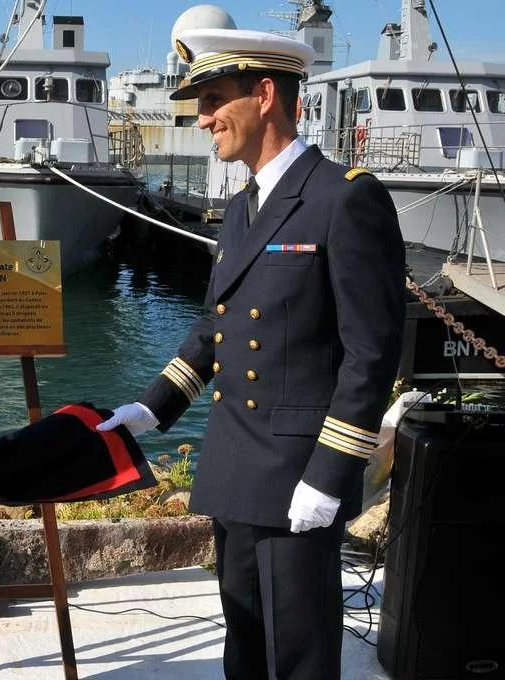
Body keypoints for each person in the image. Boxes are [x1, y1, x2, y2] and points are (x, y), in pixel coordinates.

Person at [97, 27, 405, 679]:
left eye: (214, 99)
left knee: (297, 654)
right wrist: (152, 408)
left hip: (297, 473)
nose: (203, 117)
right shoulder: (240, 209)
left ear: (265, 95)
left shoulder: (344, 197)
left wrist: (329, 475)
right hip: (235, 462)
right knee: (245, 645)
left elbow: (371, 355)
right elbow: (216, 328)